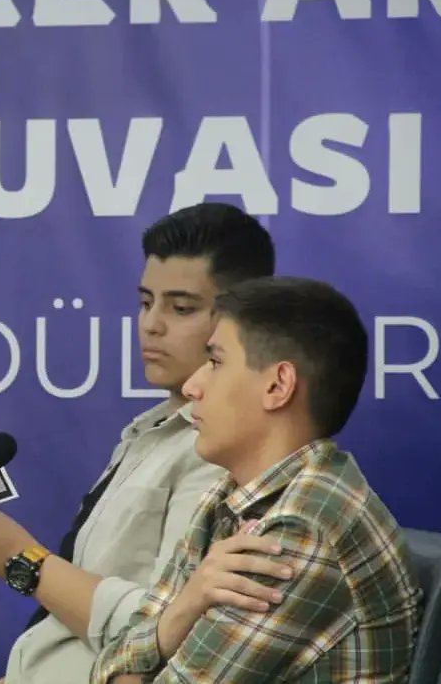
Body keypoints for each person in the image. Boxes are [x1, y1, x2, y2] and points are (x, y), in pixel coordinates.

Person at [0, 202, 276, 684]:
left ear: (243, 324)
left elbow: (170, 631)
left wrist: (23, 561)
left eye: (181, 308)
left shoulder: (220, 450)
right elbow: (83, 639)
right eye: (145, 302)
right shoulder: (149, 433)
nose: (151, 324)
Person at [91, 277, 423, 684]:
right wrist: (185, 606)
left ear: (277, 386)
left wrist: (141, 654)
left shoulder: (303, 527)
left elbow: (125, 667)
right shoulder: (229, 496)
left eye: (215, 362)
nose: (192, 387)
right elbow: (112, 661)